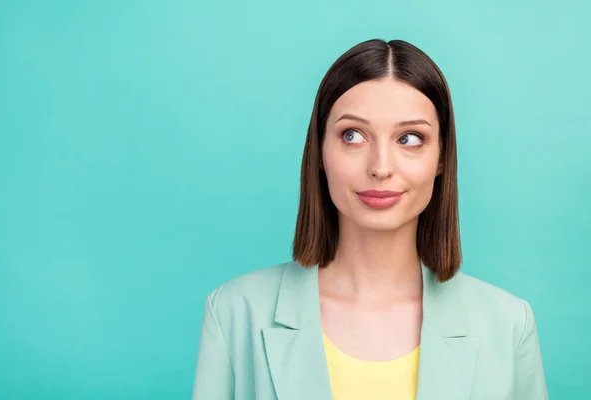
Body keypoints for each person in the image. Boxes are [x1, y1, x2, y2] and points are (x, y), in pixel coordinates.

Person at [191, 38, 548, 400]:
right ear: (319, 151)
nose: (380, 167)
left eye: (409, 138)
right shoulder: (234, 313)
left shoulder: (508, 324)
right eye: (353, 135)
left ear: (441, 158)